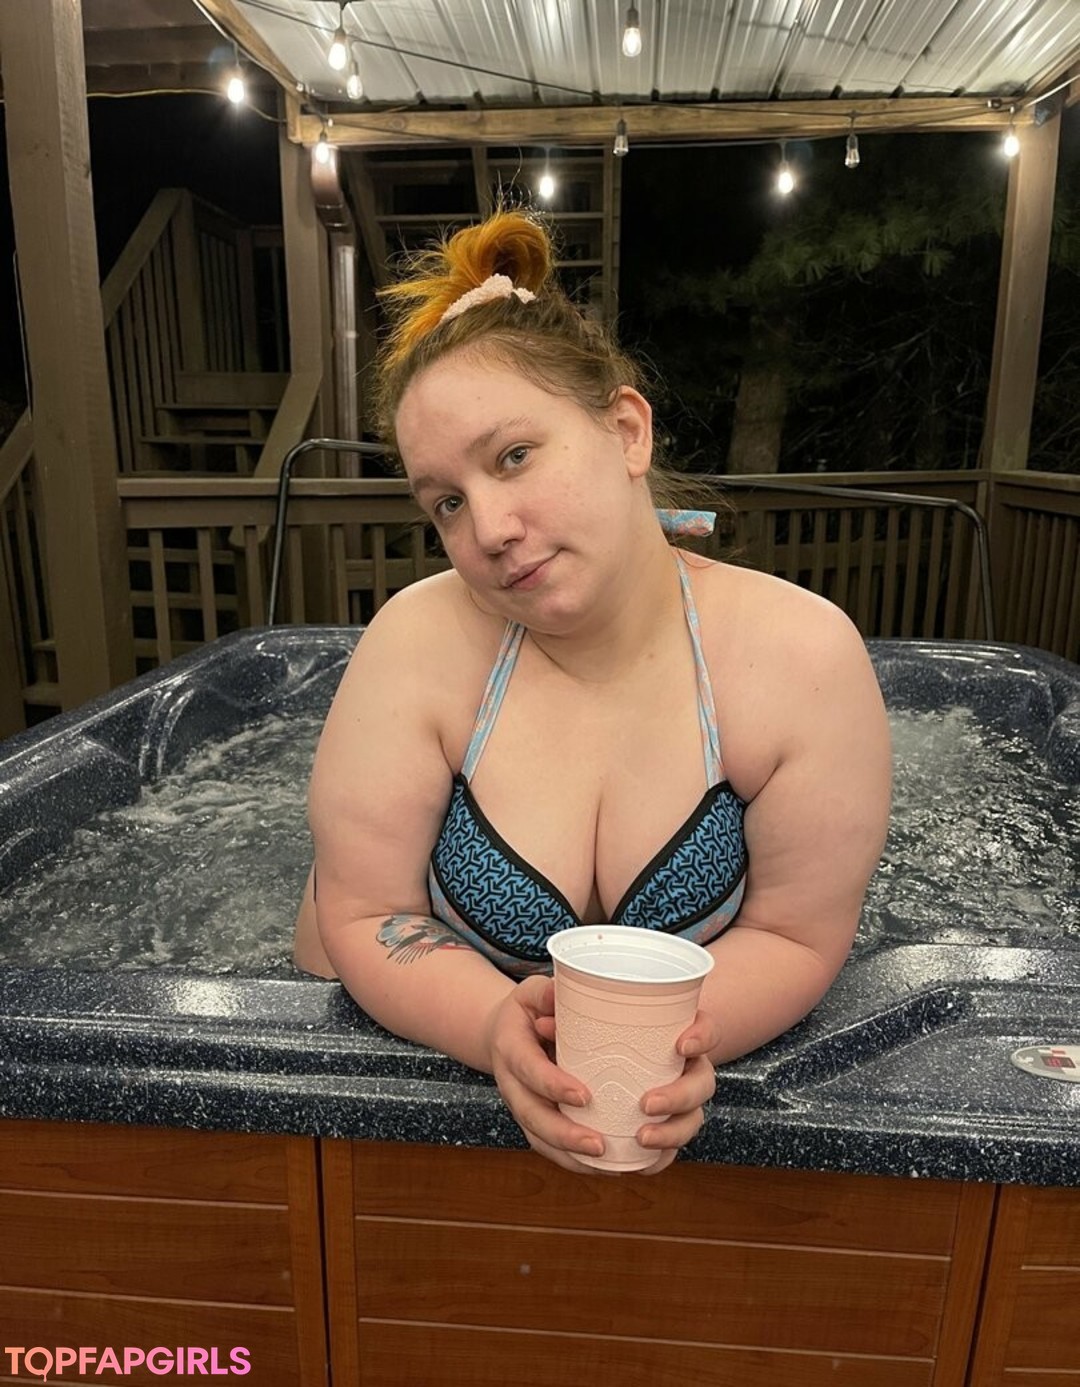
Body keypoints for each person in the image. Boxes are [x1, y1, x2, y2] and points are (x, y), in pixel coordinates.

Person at [293, 209, 892, 1175]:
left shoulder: (800, 658)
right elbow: (366, 915)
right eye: (446, 501)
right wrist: (489, 1022)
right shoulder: (414, 645)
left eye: (513, 456)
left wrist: (671, 1046)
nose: (489, 527)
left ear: (625, 430)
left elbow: (793, 930)